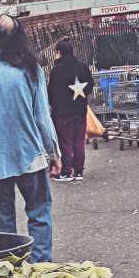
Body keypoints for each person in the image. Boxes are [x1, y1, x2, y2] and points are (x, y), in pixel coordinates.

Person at [0, 15, 60, 262]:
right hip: (30, 156)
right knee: (39, 214)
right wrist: (53, 152)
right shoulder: (30, 68)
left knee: (3, 222)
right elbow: (42, 118)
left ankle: (11, 268)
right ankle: (41, 268)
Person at [47, 39, 95, 182]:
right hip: (80, 110)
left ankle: (66, 171)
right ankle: (78, 171)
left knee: (65, 142)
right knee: (79, 141)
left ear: (59, 52)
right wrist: (82, 96)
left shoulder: (57, 70)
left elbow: (51, 92)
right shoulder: (82, 67)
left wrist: (54, 106)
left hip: (62, 113)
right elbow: (90, 84)